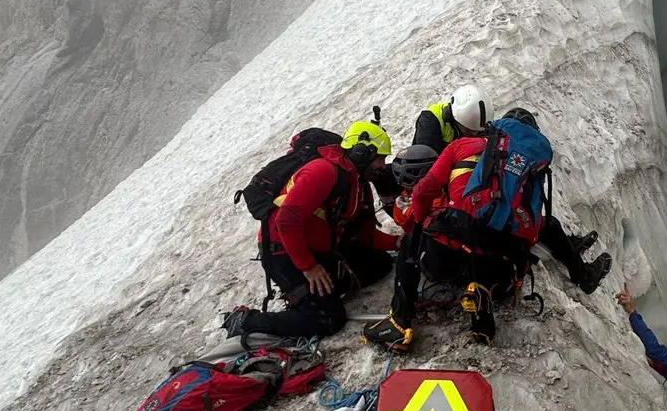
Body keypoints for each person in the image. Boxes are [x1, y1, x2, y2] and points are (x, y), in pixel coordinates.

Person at [365, 107, 610, 351]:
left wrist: (419, 226)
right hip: (500, 270)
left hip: (446, 259)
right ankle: (485, 292)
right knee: (528, 236)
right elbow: (534, 228)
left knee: (412, 241)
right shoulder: (530, 165)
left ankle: (399, 323)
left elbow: (425, 190)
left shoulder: (462, 146)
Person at [225, 120, 400, 340]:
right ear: (362, 153)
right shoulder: (322, 171)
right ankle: (247, 320)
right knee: (328, 319)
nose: (383, 166)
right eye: (380, 159)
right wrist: (309, 267)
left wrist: (397, 242)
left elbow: (361, 232)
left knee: (380, 264)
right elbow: (286, 221)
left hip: (317, 248)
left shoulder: (356, 183)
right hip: (284, 253)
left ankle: (316, 291)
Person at [411, 84, 487, 152]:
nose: (474, 135)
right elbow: (426, 157)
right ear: (457, 120)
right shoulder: (430, 120)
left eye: (477, 132)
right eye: (468, 130)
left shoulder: (479, 123)